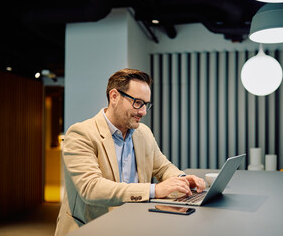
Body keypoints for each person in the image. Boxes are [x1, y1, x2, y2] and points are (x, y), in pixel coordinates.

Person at [54, 68, 206, 235]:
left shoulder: (143, 132)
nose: (143, 112)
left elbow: (162, 167)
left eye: (146, 104)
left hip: (134, 225)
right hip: (91, 228)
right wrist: (154, 190)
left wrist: (182, 179)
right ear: (114, 96)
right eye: (137, 102)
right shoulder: (81, 133)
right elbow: (91, 188)